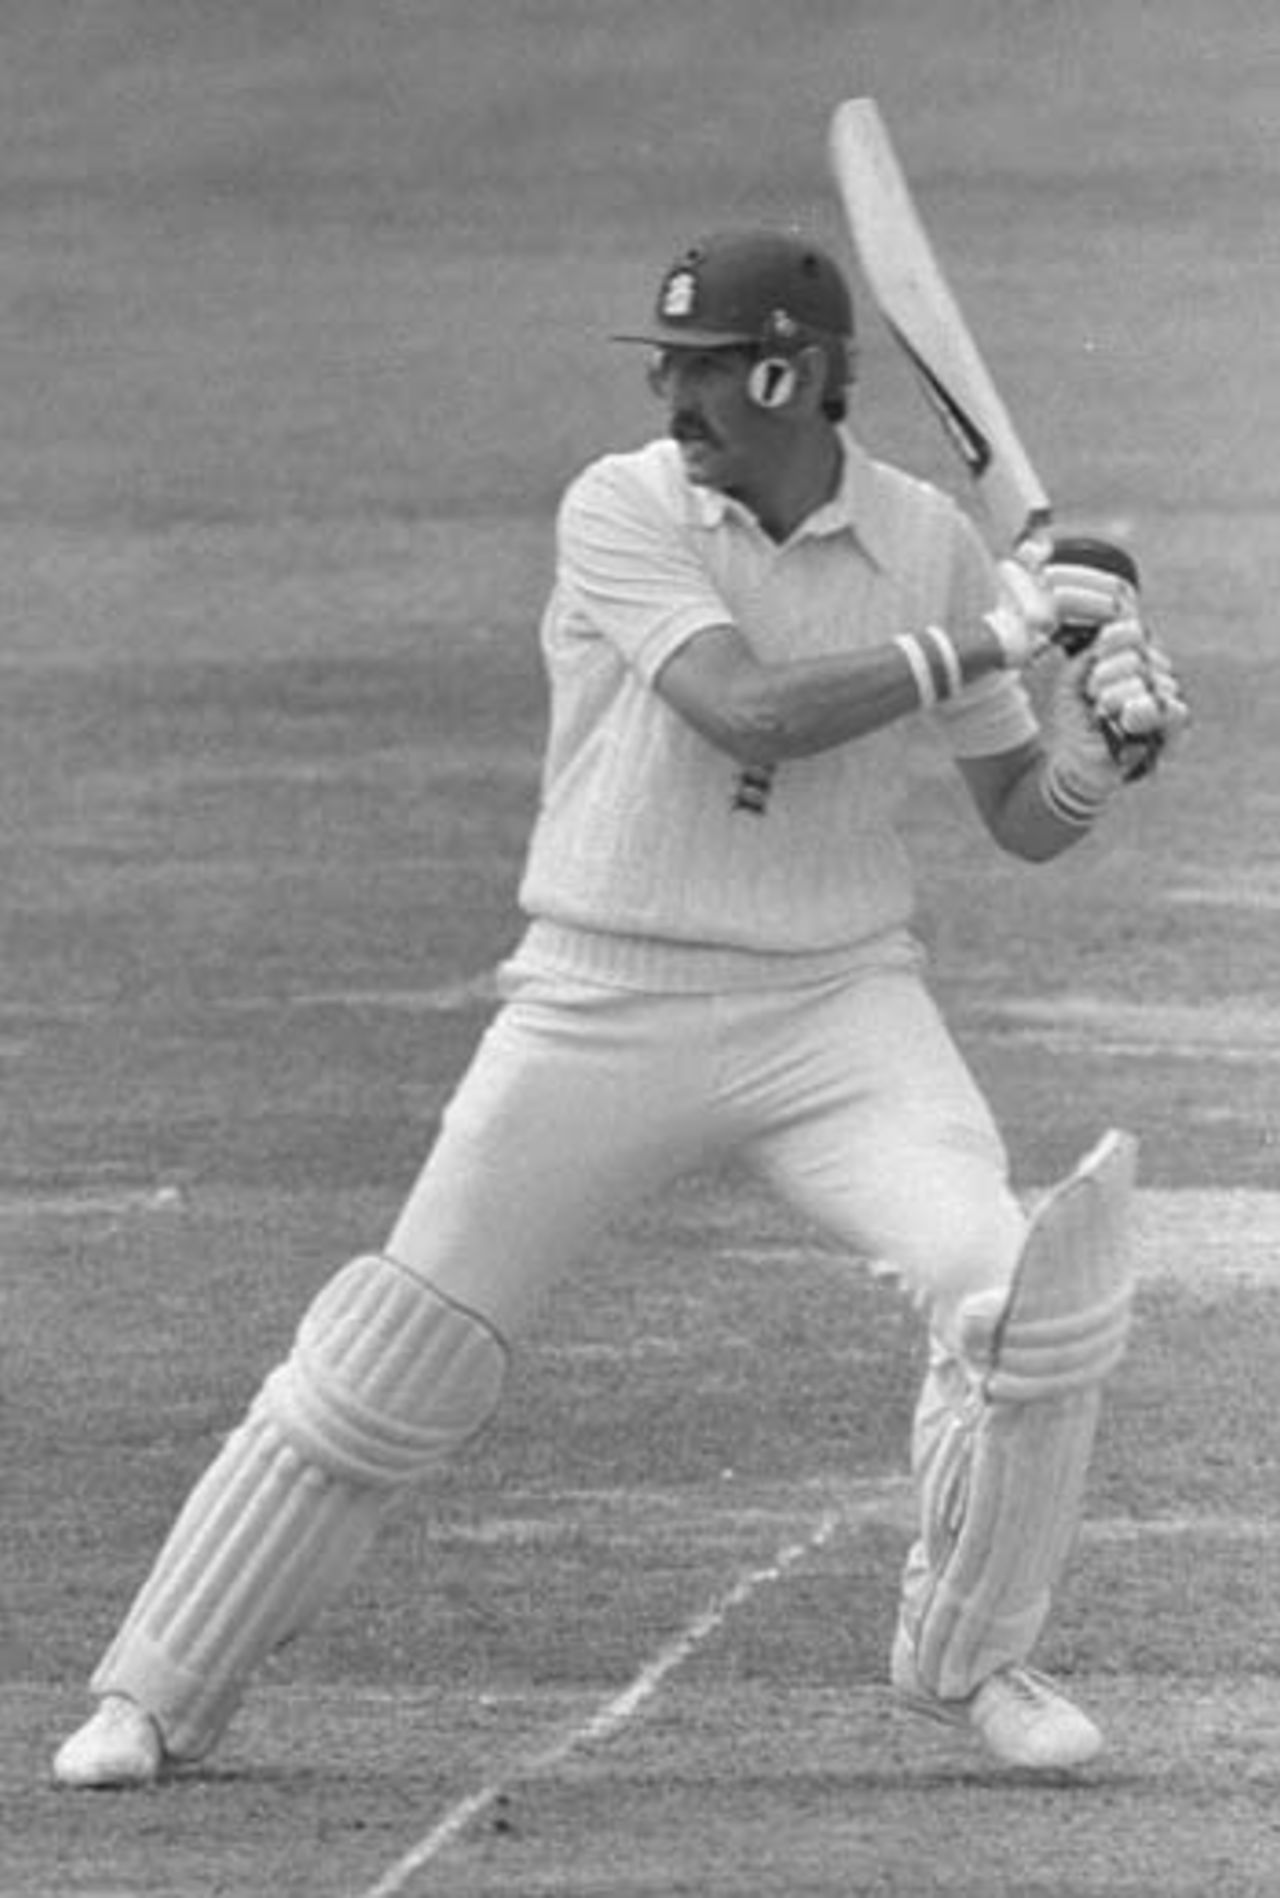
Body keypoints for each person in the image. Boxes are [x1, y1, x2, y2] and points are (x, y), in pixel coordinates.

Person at [53, 227, 1187, 1790]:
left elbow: (1017, 814)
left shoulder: (925, 536)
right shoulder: (620, 508)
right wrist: (1003, 630)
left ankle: (978, 1658)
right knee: (394, 1358)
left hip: (835, 1004)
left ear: (792, 373)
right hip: (603, 995)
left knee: (1019, 1300)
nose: (672, 391)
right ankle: (154, 1691)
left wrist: (1094, 752)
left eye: (706, 365)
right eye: (669, 362)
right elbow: (750, 709)